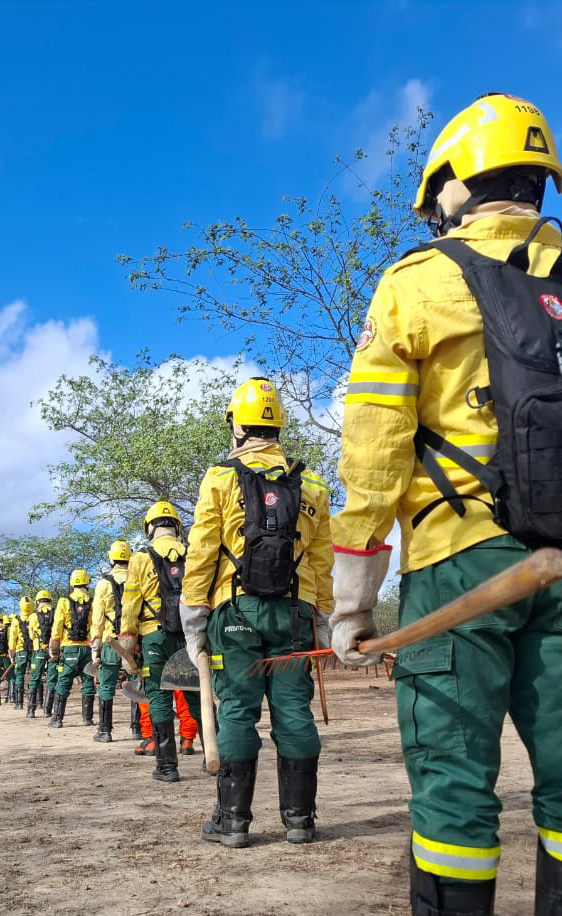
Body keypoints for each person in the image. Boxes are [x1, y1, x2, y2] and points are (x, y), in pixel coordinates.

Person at [330, 93, 562, 916]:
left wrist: (352, 607)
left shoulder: (418, 281)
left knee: (455, 792)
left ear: (457, 185)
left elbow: (374, 452)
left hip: (460, 565)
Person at [180, 377, 333, 847]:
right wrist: (322, 619)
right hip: (294, 613)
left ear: (236, 424)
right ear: (278, 427)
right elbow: (323, 561)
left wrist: (193, 617)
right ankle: (299, 821)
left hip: (235, 612)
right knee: (293, 710)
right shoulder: (313, 486)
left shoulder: (220, 478)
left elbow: (202, 550)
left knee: (238, 712)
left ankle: (233, 823)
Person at [118, 502, 203, 784]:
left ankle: (167, 767)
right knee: (195, 695)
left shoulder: (141, 559)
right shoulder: (192, 555)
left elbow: (130, 604)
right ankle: (218, 756)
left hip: (154, 635)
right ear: (176, 526)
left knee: (159, 696)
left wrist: (127, 645)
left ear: (149, 528)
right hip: (189, 636)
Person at [89, 540, 131, 742]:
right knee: (137, 683)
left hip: (110, 642)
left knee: (106, 685)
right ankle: (138, 729)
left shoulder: (104, 583)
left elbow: (97, 619)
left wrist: (95, 650)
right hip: (134, 641)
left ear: (111, 558)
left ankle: (105, 731)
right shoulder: (136, 578)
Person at [48, 570, 95, 729]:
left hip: (69, 648)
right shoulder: (91, 601)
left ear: (72, 582)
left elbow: (57, 626)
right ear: (87, 582)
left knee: (64, 681)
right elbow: (95, 625)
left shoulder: (64, 601)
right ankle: (87, 719)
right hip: (87, 648)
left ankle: (57, 719)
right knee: (88, 681)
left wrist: (53, 648)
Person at [26, 589, 57, 718]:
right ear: (50, 600)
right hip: (53, 651)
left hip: (39, 650)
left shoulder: (33, 616)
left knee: (34, 678)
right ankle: (47, 711)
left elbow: (32, 636)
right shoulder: (55, 613)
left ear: (38, 602)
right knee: (52, 678)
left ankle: (31, 711)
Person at [9, 597, 34, 709]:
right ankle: (37, 702)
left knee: (19, 676)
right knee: (35, 675)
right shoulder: (36, 617)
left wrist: (12, 654)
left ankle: (19, 703)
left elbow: (12, 638)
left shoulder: (15, 620)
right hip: (35, 650)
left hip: (20, 651)